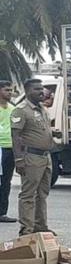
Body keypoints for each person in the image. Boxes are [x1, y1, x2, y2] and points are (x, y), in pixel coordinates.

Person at [10, 78, 56, 235]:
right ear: (28, 91)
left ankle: (41, 226)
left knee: (42, 193)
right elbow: (15, 136)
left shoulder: (42, 109)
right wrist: (19, 159)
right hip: (31, 156)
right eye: (37, 89)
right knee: (28, 194)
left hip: (45, 157)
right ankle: (27, 229)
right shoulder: (21, 110)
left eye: (41, 88)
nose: (41, 91)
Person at [0, 82, 15, 223]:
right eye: (6, 90)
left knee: (6, 181)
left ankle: (2, 213)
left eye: (11, 90)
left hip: (10, 148)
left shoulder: (12, 108)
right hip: (0, 148)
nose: (10, 92)